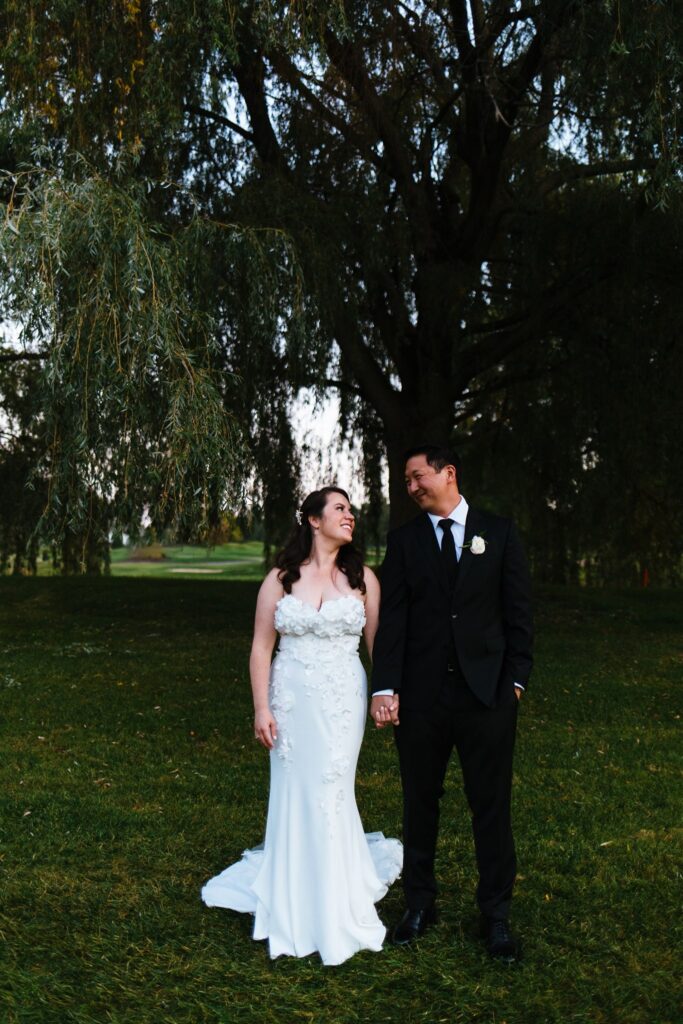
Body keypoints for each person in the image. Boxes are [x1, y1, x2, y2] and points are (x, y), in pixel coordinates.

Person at [202, 486, 402, 966]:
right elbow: (259, 649)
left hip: (340, 699)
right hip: (290, 700)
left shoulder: (363, 579)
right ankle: (292, 888)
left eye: (351, 510)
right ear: (313, 520)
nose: (349, 516)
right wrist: (260, 708)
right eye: (339, 509)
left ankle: (335, 894)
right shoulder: (280, 579)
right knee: (293, 788)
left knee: (332, 787)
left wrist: (386, 692)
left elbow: (379, 645)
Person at [370, 445, 533, 962]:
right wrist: (385, 686)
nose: (412, 487)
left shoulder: (499, 533)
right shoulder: (404, 542)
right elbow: (392, 621)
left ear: (448, 473)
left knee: (491, 804)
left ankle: (496, 914)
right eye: (407, 481)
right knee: (420, 803)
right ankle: (420, 903)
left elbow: (519, 615)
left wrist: (515, 684)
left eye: (418, 476)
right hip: (421, 700)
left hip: (487, 697)